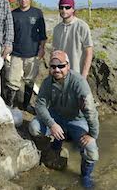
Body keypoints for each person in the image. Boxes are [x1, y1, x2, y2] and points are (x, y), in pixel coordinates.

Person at [28, 50, 99, 188]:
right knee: (34, 127)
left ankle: (85, 176)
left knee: (91, 149)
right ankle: (55, 145)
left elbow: (90, 111)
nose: (57, 70)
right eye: (53, 66)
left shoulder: (79, 83)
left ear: (68, 66)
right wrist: (52, 124)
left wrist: (93, 134)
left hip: (77, 120)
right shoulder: (47, 82)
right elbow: (40, 106)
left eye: (61, 66)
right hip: (56, 116)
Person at [4, 0, 47, 110]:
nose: (23, 0)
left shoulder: (37, 13)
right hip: (16, 53)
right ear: (18, 0)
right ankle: (10, 106)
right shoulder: (13, 14)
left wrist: (42, 48)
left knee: (30, 80)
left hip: (33, 53)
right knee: (13, 80)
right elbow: (9, 34)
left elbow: (42, 33)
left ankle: (26, 105)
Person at [53, 0, 93, 78]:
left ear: (73, 9)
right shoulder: (57, 28)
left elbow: (89, 52)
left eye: (67, 7)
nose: (64, 10)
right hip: (61, 74)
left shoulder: (82, 26)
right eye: (61, 7)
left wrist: (84, 75)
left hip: (77, 74)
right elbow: (55, 52)